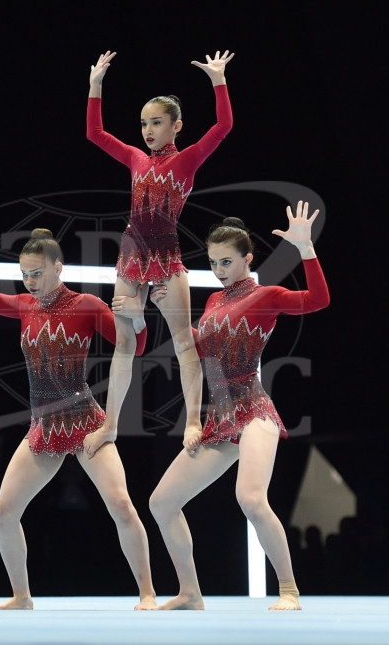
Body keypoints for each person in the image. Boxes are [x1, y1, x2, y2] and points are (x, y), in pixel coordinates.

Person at [0, 206, 158, 610]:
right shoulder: (25, 307)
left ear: (57, 268)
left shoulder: (85, 305)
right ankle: (21, 597)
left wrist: (138, 321)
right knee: (4, 511)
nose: (29, 281)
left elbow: (133, 349)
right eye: (24, 274)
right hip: (43, 428)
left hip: (85, 423)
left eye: (36, 273)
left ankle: (148, 593)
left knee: (120, 503)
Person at [138, 201, 329, 610]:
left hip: (254, 410)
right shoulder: (212, 303)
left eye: (227, 261)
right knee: (161, 502)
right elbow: (199, 347)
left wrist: (305, 249)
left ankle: (290, 590)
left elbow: (317, 300)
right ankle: (190, 592)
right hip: (221, 418)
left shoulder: (266, 296)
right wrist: (168, 312)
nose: (220, 269)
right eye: (213, 263)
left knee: (251, 499)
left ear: (247, 258)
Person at [84, 49, 234, 460]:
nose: (148, 130)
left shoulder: (186, 161)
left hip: (166, 259)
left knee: (185, 341)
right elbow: (95, 135)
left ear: (176, 126)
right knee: (125, 344)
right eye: (144, 124)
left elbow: (224, 126)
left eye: (156, 123)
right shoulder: (135, 158)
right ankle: (111, 425)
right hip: (132, 255)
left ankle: (192, 421)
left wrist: (218, 80)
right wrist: (96, 84)